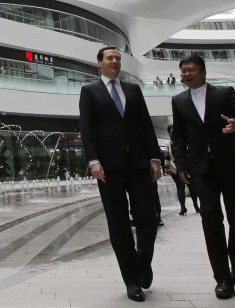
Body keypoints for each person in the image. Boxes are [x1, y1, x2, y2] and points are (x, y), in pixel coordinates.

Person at [170, 55, 235, 300]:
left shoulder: (224, 93)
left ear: (203, 71)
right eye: (182, 71)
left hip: (230, 166)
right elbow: (178, 136)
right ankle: (223, 279)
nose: (185, 75)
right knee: (211, 221)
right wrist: (180, 164)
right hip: (201, 170)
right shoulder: (178, 100)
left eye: (190, 70)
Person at [79, 46, 162, 302]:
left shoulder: (133, 90)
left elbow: (146, 125)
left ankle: (143, 262)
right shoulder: (89, 91)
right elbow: (87, 129)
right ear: (99, 64)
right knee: (119, 225)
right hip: (108, 169)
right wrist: (93, 160)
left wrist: (155, 157)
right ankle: (131, 280)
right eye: (110, 58)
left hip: (138, 165)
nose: (115, 61)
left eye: (117, 58)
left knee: (148, 217)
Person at [166, 124, 199, 215]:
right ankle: (183, 208)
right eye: (171, 132)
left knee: (192, 188)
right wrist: (167, 168)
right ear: (169, 133)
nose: (173, 133)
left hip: (187, 168)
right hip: (175, 169)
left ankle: (196, 206)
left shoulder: (184, 141)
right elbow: (167, 157)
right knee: (180, 188)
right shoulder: (168, 143)